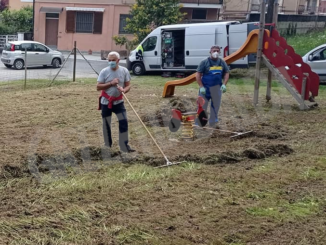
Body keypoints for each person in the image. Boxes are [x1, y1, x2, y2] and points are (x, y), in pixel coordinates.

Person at [97, 51, 135, 153]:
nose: (111, 62)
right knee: (106, 123)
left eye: (113, 60)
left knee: (123, 122)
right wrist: (111, 83)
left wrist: (124, 90)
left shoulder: (124, 71)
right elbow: (98, 86)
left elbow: (128, 85)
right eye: (109, 60)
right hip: (106, 102)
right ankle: (107, 145)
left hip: (119, 103)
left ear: (118, 60)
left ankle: (124, 146)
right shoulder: (104, 71)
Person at [196, 45, 230, 128]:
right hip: (205, 89)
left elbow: (226, 73)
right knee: (202, 106)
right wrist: (201, 86)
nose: (216, 52)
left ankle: (213, 122)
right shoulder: (204, 62)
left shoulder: (222, 62)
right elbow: (198, 74)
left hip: (217, 88)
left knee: (215, 106)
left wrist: (224, 85)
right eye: (214, 50)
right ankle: (200, 122)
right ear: (210, 51)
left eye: (218, 51)